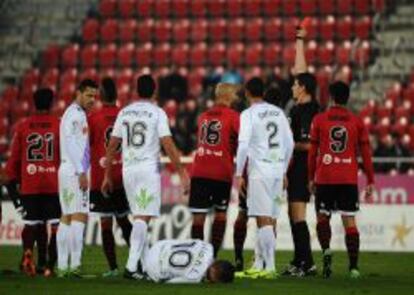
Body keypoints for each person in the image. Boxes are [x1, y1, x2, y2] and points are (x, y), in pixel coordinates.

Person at [101, 74, 190, 280]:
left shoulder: (124, 112)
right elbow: (167, 144)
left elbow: (112, 145)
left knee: (139, 217)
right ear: (155, 91)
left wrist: (107, 175)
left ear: (136, 91)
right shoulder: (157, 113)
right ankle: (131, 267)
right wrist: (182, 172)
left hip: (128, 170)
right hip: (147, 169)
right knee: (142, 218)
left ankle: (145, 266)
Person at [308, 81, 375, 279]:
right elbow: (366, 153)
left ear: (330, 97)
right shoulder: (357, 121)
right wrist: (370, 180)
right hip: (347, 178)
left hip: (325, 177)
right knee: (349, 221)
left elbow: (312, 154)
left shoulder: (319, 120)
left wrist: (311, 177)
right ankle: (353, 267)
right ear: (348, 98)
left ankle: (327, 251)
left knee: (322, 218)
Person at [235, 77, 294, 279]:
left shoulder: (248, 114)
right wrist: (284, 170)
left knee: (263, 218)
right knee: (269, 217)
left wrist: (238, 173)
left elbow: (243, 145)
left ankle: (269, 267)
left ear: (247, 93)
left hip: (260, 172)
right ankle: (259, 264)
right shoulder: (278, 113)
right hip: (277, 172)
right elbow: (290, 144)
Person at [5, 88, 61, 277]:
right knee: (54, 228)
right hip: (53, 184)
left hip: (30, 185)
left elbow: (11, 165)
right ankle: (48, 267)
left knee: (31, 224)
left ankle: (29, 255)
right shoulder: (59, 125)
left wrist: (14, 192)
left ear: (34, 103)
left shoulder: (23, 126)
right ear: (52, 103)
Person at [283, 25, 319, 277]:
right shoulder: (298, 108)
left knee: (298, 215)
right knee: (292, 214)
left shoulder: (309, 111)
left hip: (304, 168)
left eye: (296, 84)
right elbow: (302, 70)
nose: (293, 87)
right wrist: (298, 41)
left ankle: (307, 263)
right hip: (296, 167)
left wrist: (289, 144)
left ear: (303, 88)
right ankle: (299, 261)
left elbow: (309, 144)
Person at [189, 83, 240, 259]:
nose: (236, 98)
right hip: (221, 171)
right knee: (220, 214)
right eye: (234, 94)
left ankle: (197, 259)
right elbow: (243, 141)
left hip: (200, 170)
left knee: (198, 217)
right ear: (226, 95)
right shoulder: (234, 116)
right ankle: (212, 257)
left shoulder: (203, 116)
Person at [88, 78, 132, 277]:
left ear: (101, 96)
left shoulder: (93, 118)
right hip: (123, 176)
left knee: (106, 222)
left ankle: (113, 268)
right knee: (124, 220)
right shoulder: (126, 117)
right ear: (117, 95)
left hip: (101, 178)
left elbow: (86, 148)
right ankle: (137, 262)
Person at [57, 79, 98, 277]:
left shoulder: (70, 113)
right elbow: (74, 145)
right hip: (75, 170)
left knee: (66, 217)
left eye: (95, 96)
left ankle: (63, 267)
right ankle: (75, 265)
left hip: (66, 168)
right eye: (89, 95)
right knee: (79, 215)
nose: (93, 100)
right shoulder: (77, 115)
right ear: (78, 93)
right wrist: (82, 171)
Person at [142, 239, 235, 283]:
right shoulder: (195, 276)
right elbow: (170, 282)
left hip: (158, 246)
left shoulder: (208, 246)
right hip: (153, 268)